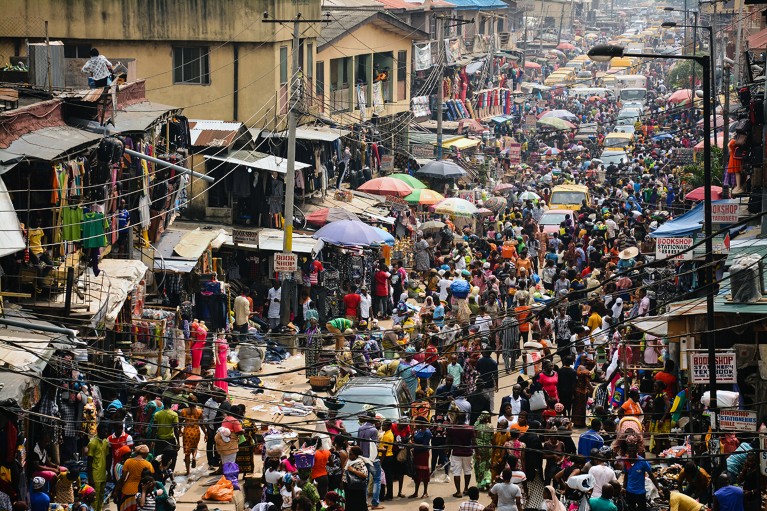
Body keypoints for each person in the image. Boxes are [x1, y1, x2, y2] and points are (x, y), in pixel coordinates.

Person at [447, 412, 475, 498]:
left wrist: (447, 451)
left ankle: (458, 492)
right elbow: (474, 441)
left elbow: (449, 441)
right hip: (468, 452)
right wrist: (476, 452)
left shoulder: (452, 429)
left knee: (456, 472)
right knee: (467, 471)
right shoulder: (470, 428)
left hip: (456, 453)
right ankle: (466, 489)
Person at [119, 445, 154, 511]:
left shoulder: (128, 461)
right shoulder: (148, 464)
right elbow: (150, 479)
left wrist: (118, 489)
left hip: (127, 490)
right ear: (145, 454)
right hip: (140, 491)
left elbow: (123, 478)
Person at [87, 425, 110, 511]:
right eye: (104, 431)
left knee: (101, 498)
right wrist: (90, 477)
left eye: (107, 431)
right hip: (95, 475)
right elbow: (89, 461)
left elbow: (107, 458)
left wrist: (109, 472)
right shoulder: (92, 443)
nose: (106, 433)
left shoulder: (105, 442)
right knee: (94, 499)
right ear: (98, 430)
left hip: (103, 475)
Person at [152, 399, 180, 472]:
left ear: (163, 404)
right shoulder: (174, 414)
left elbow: (154, 428)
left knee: (158, 457)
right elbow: (176, 429)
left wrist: (153, 440)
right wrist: (178, 442)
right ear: (171, 404)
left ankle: (159, 472)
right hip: (170, 440)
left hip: (159, 439)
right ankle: (170, 472)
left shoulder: (157, 414)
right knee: (173, 456)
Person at [411, 417, 432, 499]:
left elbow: (425, 445)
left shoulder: (427, 432)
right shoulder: (418, 431)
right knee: (417, 473)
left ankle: (425, 492)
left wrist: (414, 445)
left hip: (423, 454)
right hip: (416, 453)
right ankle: (416, 492)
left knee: (424, 472)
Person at [343, 446, 369, 511]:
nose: (349, 455)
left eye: (351, 454)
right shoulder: (349, 461)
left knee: (358, 505)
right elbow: (344, 468)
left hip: (356, 488)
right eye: (349, 453)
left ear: (355, 455)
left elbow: (364, 475)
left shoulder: (359, 462)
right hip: (349, 488)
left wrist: (353, 470)